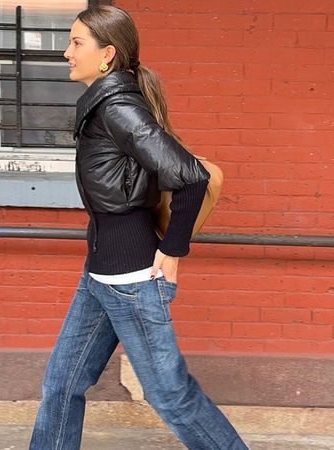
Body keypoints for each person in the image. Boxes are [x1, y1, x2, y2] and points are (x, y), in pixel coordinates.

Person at [29, 5, 249, 450]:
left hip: (130, 279)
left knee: (170, 395)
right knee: (61, 384)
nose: (66, 52)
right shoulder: (103, 105)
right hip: (100, 277)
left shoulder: (119, 109)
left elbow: (191, 177)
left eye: (76, 43)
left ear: (107, 54)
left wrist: (172, 250)